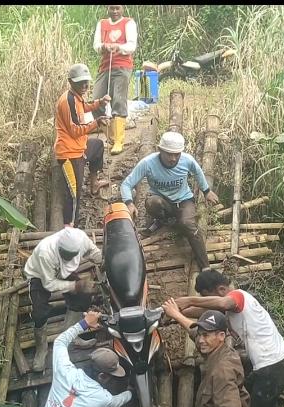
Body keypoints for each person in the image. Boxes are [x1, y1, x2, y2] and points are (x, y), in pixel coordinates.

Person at [172, 269, 284, 407]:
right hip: (269, 367)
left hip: (273, 367)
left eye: (205, 296)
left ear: (221, 289)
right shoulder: (228, 311)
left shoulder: (238, 296)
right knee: (245, 403)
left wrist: (189, 300)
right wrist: (176, 311)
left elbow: (221, 302)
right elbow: (204, 312)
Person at [119, 131, 218, 270]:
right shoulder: (148, 163)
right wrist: (129, 203)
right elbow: (126, 184)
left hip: (184, 200)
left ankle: (205, 267)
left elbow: (198, 172)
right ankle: (163, 220)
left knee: (188, 224)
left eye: (176, 154)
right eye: (169, 154)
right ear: (160, 150)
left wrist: (206, 191)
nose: (173, 158)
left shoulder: (187, 160)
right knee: (153, 203)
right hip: (162, 200)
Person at [24, 227, 103, 372]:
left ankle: (71, 337)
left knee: (83, 299)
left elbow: (93, 252)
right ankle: (41, 350)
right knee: (39, 313)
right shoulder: (45, 253)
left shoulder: (80, 238)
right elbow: (49, 284)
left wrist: (104, 262)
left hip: (62, 271)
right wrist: (75, 285)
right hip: (40, 276)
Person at [55, 63, 112, 227]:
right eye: (81, 83)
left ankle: (94, 184)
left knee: (98, 146)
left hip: (79, 146)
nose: (85, 86)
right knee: (74, 193)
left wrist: (99, 103)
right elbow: (74, 130)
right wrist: (96, 122)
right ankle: (70, 226)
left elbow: (84, 107)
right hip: (69, 153)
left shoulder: (77, 97)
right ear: (70, 82)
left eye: (86, 82)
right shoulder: (68, 101)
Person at [92, 5, 137, 155]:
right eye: (112, 8)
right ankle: (110, 137)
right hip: (105, 67)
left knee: (118, 100)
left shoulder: (128, 23)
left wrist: (118, 47)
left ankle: (119, 141)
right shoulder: (102, 24)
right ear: (108, 9)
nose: (115, 11)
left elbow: (131, 45)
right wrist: (104, 46)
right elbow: (96, 45)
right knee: (96, 101)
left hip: (122, 66)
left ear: (122, 8)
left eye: (117, 8)